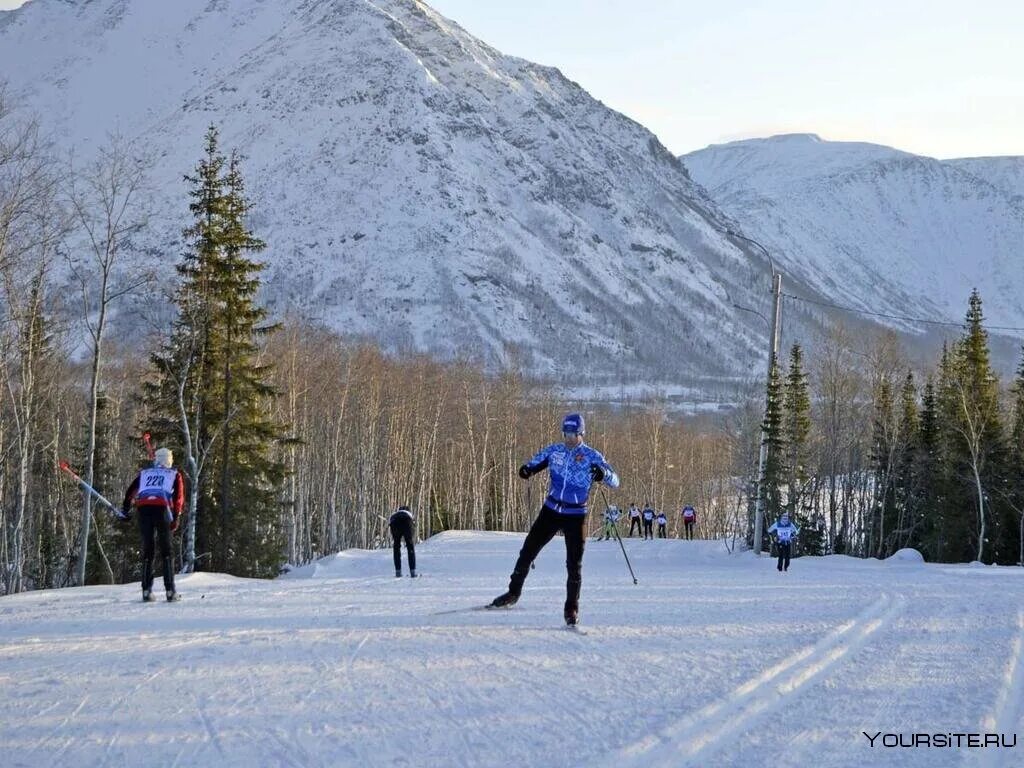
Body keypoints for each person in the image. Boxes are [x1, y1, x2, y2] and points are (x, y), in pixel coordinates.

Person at [490, 413, 619, 626]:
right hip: (551, 511)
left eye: (573, 434)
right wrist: (527, 469)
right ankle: (513, 593)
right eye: (565, 433)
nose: (568, 438)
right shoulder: (555, 450)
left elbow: (615, 481)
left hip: (576, 515)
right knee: (528, 551)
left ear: (581, 433)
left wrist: (602, 473)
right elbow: (535, 462)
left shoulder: (591, 455)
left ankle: (571, 609)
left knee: (574, 564)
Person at [120, 447, 185, 602]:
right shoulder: (174, 474)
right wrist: (176, 517)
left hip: (143, 509)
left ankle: (146, 591)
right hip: (162, 509)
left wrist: (125, 510)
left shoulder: (145, 473)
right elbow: (178, 497)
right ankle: (170, 591)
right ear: (169, 460)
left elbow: (131, 492)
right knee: (167, 550)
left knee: (148, 550)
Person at [389, 505, 417, 577]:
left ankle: (398, 572)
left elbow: (391, 522)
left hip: (395, 522)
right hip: (407, 522)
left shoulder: (395, 514)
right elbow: (413, 525)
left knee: (396, 546)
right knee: (410, 546)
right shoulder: (409, 514)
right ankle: (413, 572)